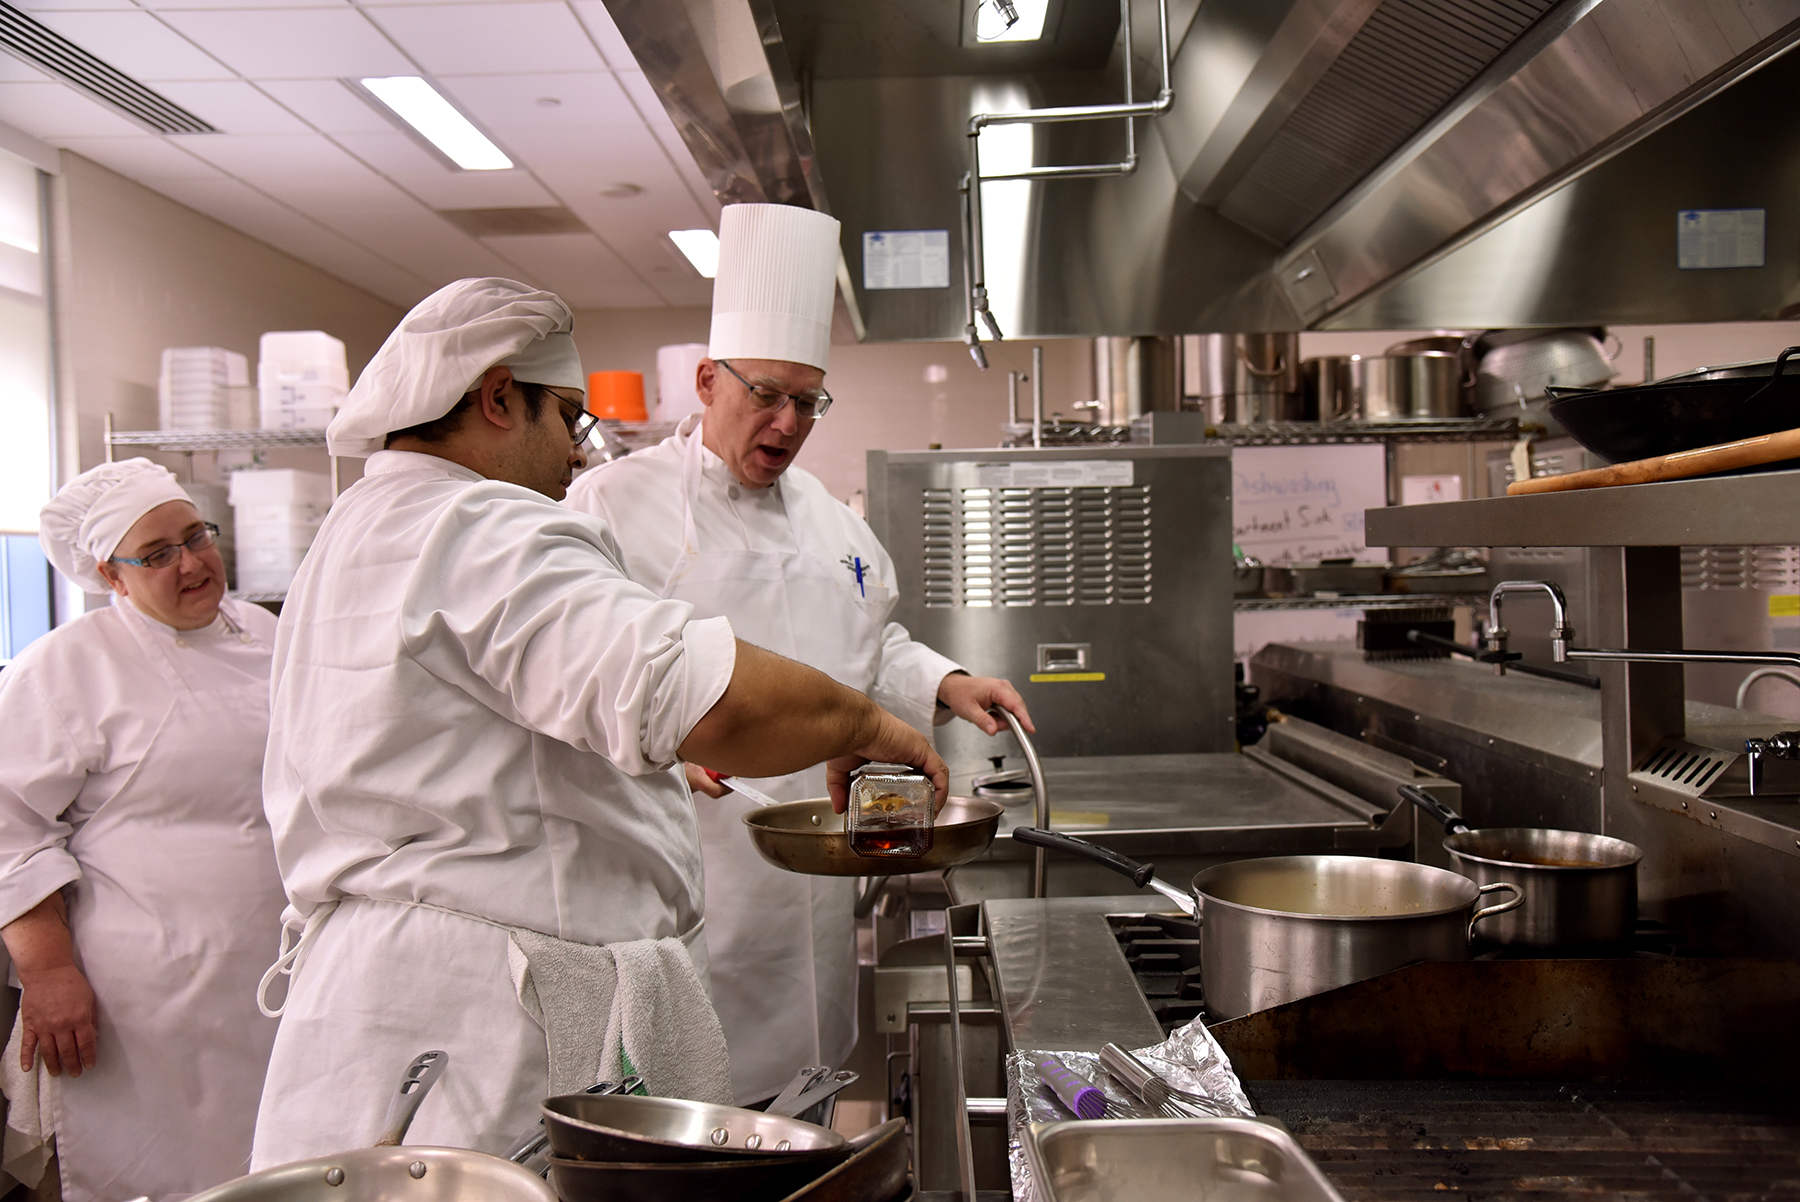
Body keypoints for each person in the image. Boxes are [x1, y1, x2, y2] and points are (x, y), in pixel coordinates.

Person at [249, 277, 946, 1168]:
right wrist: (867, 725)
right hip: (488, 1026)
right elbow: (699, 694)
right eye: (568, 421)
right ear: (500, 397)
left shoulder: (362, 525)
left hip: (390, 1000)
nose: (577, 457)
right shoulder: (478, 524)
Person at [564, 203, 1033, 1105]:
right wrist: (665, 753)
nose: (786, 423)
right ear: (706, 381)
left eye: (807, 401)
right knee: (690, 1106)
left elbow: (867, 640)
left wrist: (946, 679)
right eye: (765, 394)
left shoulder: (830, 520)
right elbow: (571, 680)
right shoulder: (609, 510)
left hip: (812, 873)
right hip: (682, 864)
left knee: (805, 1096)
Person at [0, 459, 286, 1201]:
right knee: (158, 1175)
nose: (191, 564)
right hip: (146, 1001)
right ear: (111, 575)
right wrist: (47, 971)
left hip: (274, 971)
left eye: (196, 537)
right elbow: (8, 828)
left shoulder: (264, 632)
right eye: (157, 554)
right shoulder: (70, 667)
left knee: (277, 1166)